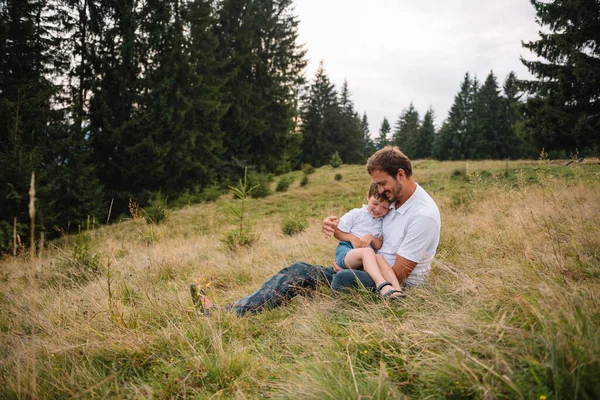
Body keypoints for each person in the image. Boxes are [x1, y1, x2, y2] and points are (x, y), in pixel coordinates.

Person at [191, 146, 441, 315]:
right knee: (299, 270)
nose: (380, 191)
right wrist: (335, 229)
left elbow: (400, 275)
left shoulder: (423, 215)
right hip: (366, 268)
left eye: (382, 184)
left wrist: (352, 265)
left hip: (393, 287)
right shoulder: (392, 202)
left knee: (342, 278)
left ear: (400, 175)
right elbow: (365, 223)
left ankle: (332, 292)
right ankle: (229, 311)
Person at [332, 182, 404, 299]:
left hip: (367, 258)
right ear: (368, 196)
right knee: (367, 252)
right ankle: (382, 285)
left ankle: (397, 291)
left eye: (384, 207)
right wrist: (352, 238)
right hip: (347, 252)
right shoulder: (357, 213)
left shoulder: (382, 222)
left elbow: (379, 245)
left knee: (379, 257)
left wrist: (371, 237)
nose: (378, 209)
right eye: (375, 203)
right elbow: (337, 232)